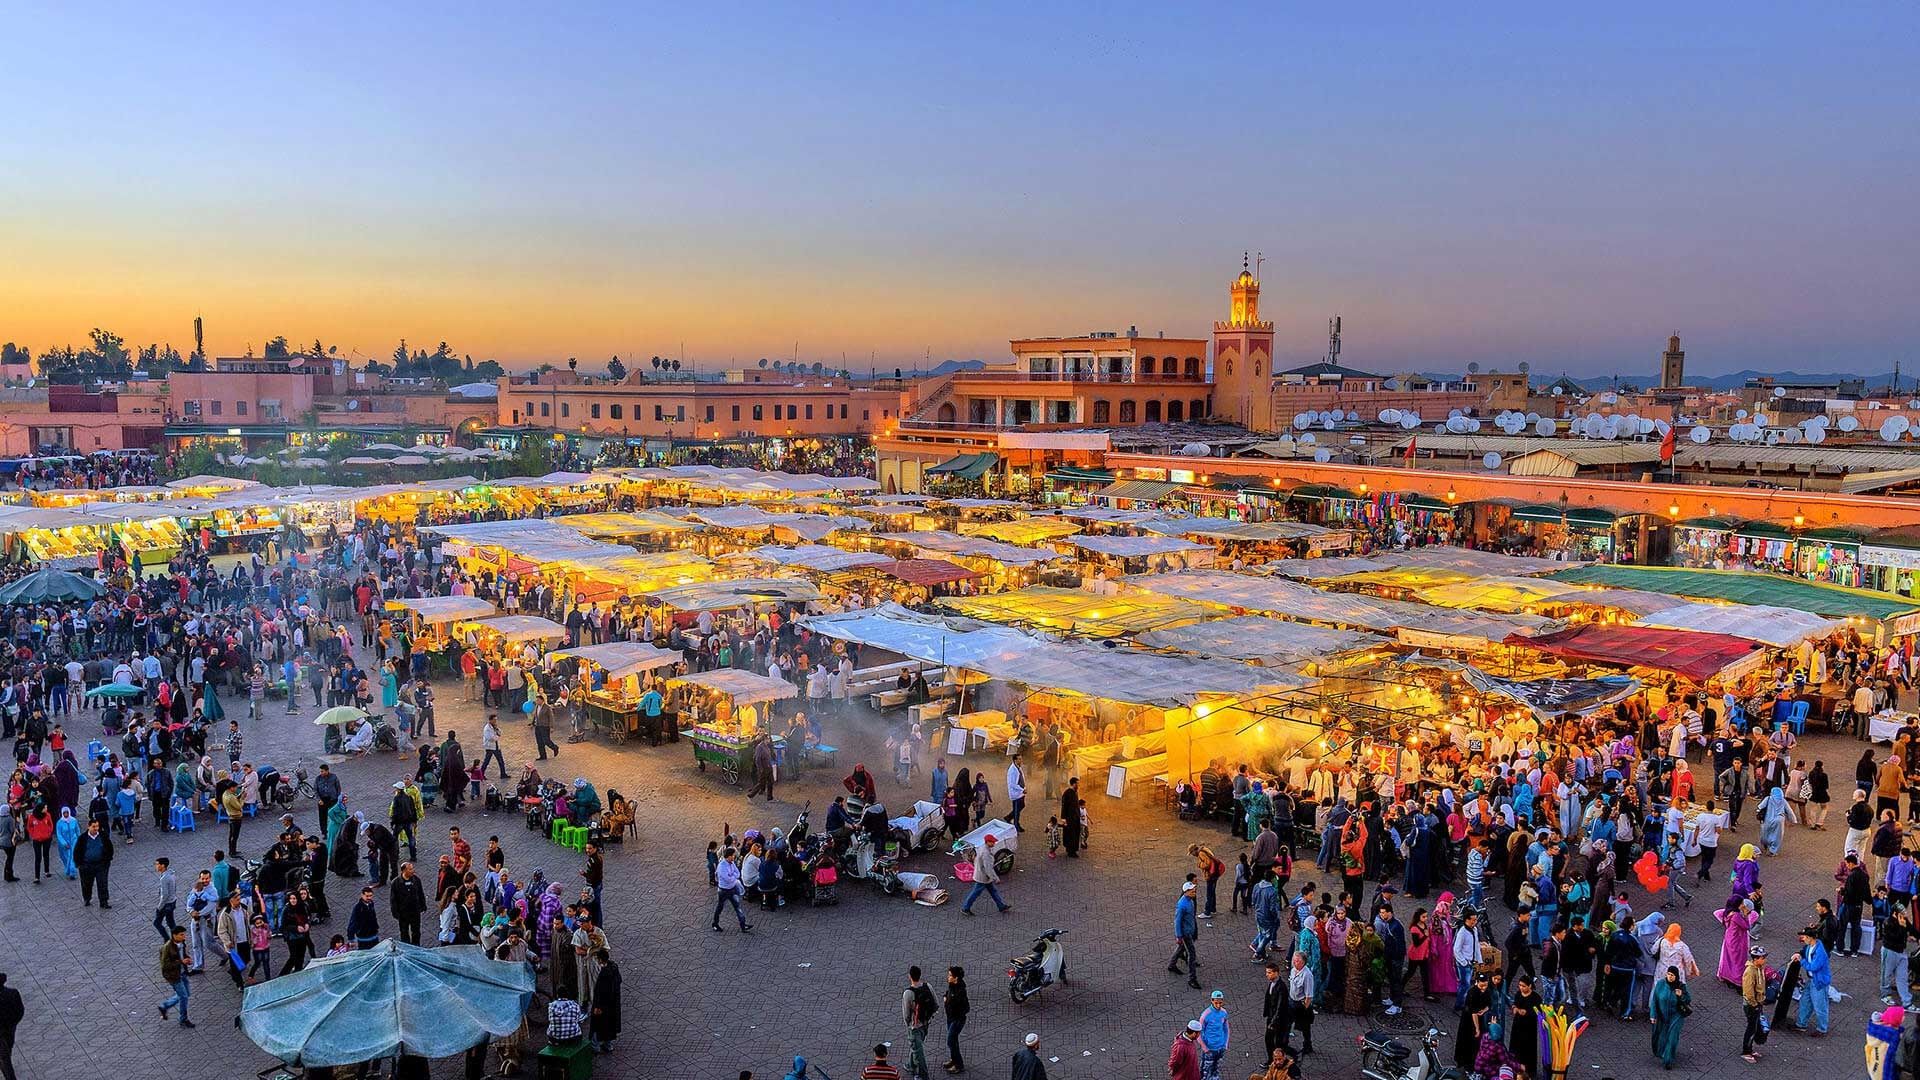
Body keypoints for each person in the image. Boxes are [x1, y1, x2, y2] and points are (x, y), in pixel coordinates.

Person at [1650, 966, 1691, 1069]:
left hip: (1676, 1016)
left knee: (1672, 1037)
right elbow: (1655, 1000)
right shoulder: (1661, 984)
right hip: (1662, 1016)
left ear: (1676, 976)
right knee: (1662, 1036)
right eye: (1668, 974)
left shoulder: (1681, 987)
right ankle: (1661, 1052)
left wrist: (1681, 995)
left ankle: (1668, 1060)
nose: (1670, 977)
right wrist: (1653, 1015)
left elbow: (1688, 999)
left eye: (1672, 975)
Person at [959, 834, 1009, 916]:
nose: (994, 843)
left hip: (982, 876)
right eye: (992, 842)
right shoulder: (986, 853)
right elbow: (988, 868)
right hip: (983, 877)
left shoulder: (982, 848)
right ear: (987, 842)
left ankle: (1001, 906)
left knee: (993, 891)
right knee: (975, 893)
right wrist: (995, 878)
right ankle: (965, 908)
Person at [1795, 925, 1831, 1035]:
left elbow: (1814, 967)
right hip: (1812, 980)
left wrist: (1801, 961)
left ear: (1811, 937)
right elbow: (1803, 952)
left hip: (1819, 982)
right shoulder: (1810, 947)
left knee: (1820, 1006)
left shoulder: (1820, 951)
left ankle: (1822, 1029)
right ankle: (1801, 1024)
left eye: (1805, 937)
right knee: (1805, 1002)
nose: (1803, 939)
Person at [156, 925, 194, 1028]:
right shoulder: (167, 948)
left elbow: (182, 955)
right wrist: (181, 962)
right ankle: (183, 1019)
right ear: (174, 935)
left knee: (184, 994)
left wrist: (186, 959)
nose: (184, 937)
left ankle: (164, 1006)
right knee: (184, 996)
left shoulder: (181, 943)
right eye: (181, 935)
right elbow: (165, 965)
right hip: (173, 976)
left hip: (182, 973)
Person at [904, 965, 937, 1080]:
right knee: (916, 1047)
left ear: (910, 976)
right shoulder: (928, 986)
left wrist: (909, 1025)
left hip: (915, 1026)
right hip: (926, 1023)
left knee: (919, 1052)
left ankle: (923, 1075)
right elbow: (936, 1005)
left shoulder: (908, 993)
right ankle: (910, 1065)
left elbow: (906, 1015)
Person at [1169, 881, 1202, 990]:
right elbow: (1177, 921)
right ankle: (1192, 979)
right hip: (1185, 934)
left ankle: (1172, 965)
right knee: (1191, 955)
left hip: (1189, 931)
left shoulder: (1190, 901)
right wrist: (1179, 936)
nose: (1194, 892)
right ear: (1186, 891)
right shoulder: (1182, 905)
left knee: (1181, 948)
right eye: (1192, 890)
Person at [74, 818, 113, 908]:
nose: (96, 829)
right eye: (94, 826)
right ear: (89, 827)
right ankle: (87, 898)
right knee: (87, 883)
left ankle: (104, 901)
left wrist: (107, 860)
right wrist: (79, 864)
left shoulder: (103, 836)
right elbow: (77, 851)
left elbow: (109, 847)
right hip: (87, 865)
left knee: (102, 883)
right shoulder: (83, 838)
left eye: (97, 826)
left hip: (101, 865)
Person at [712, 846, 752, 933]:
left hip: (732, 889)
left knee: (738, 907)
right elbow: (728, 878)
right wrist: (733, 876)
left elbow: (737, 873)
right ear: (729, 856)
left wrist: (732, 876)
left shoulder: (732, 863)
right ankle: (715, 923)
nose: (734, 857)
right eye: (733, 855)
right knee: (720, 907)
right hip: (723, 890)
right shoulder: (722, 867)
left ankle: (743, 925)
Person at [588, 949, 621, 1052]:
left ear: (601, 960)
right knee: (609, 1025)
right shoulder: (614, 968)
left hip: (602, 1005)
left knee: (596, 1025)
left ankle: (595, 1047)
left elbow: (599, 992)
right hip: (613, 1003)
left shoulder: (603, 975)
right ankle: (608, 1045)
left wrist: (597, 1006)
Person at [1740, 946, 1767, 1063]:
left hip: (1757, 1003)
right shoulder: (1750, 972)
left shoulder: (1759, 968)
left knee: (1754, 1027)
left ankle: (1750, 1049)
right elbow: (1748, 991)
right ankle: (1746, 1052)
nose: (1764, 959)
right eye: (1762, 957)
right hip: (1752, 1005)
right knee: (1751, 1028)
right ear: (1756, 959)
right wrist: (1754, 1004)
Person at [1261, 959, 1292, 1059]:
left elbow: (1280, 1006)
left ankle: (1274, 1060)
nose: (1267, 975)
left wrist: (1273, 1022)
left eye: (1269, 973)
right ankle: (1272, 1059)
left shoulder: (1281, 987)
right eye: (1267, 972)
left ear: (1276, 973)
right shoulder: (1272, 983)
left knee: (1276, 1041)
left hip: (1278, 1020)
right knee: (1269, 1040)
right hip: (1272, 1016)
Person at [943, 966, 969, 1074]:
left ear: (956, 977)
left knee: (951, 1041)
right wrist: (946, 996)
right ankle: (954, 1060)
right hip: (950, 1018)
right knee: (953, 1041)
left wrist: (949, 1002)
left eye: (950, 975)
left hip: (957, 1020)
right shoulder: (952, 985)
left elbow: (966, 1007)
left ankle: (959, 1065)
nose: (948, 977)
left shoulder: (961, 991)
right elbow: (948, 993)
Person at [1288, 951, 1315, 1055]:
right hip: (1291, 1001)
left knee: (1305, 1027)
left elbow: (1309, 996)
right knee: (1287, 1022)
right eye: (1294, 960)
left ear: (1303, 962)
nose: (1295, 963)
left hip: (1301, 1004)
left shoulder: (1307, 975)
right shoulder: (1293, 971)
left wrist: (1305, 1009)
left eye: (1297, 961)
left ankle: (1307, 1045)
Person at [1199, 990, 1229, 1080]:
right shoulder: (1205, 1015)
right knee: (1206, 1070)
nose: (1218, 1005)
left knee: (1216, 1068)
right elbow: (1199, 1033)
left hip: (1220, 1048)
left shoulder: (1224, 1013)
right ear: (1211, 1001)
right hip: (1209, 1049)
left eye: (1220, 1003)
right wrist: (1205, 1047)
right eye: (1216, 1003)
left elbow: (1226, 1028)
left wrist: (1225, 1044)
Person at [0, 971, 22, 1080]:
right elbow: (20, 1011)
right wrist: (13, 1024)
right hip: (10, 1028)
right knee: (7, 1051)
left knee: (4, 1057)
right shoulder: (13, 993)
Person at [1060, 778, 1082, 858]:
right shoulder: (1067, 793)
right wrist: (1063, 818)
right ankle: (1071, 851)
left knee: (1075, 834)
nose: (1078, 785)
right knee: (1071, 835)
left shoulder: (1075, 792)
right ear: (1073, 784)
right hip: (1070, 818)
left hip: (1075, 818)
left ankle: (1073, 850)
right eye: (1077, 784)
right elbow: (1064, 806)